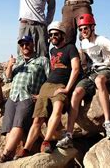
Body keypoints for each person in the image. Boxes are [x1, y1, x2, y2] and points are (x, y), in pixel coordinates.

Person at [56, 14, 110, 148]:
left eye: (85, 28)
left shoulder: (101, 40)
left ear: (92, 27)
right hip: (92, 72)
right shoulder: (83, 43)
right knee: (76, 92)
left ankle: (108, 123)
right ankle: (68, 135)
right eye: (81, 29)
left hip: (108, 69)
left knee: (100, 81)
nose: (83, 31)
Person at [14, 21, 80, 159]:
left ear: (62, 35)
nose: (53, 37)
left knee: (57, 108)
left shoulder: (70, 48)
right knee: (38, 118)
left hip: (61, 86)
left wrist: (67, 88)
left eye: (56, 34)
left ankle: (46, 141)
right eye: (51, 35)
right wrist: (41, 93)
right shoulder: (52, 50)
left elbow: (76, 69)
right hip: (46, 86)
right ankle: (26, 149)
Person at [0, 35, 50, 162]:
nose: (25, 46)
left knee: (19, 124)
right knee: (8, 127)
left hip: (27, 97)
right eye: (22, 44)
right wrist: (9, 66)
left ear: (33, 44)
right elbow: (7, 79)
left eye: (27, 43)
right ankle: (9, 154)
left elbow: (50, 80)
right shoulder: (19, 61)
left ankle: (4, 156)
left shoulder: (42, 60)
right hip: (13, 96)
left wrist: (42, 95)